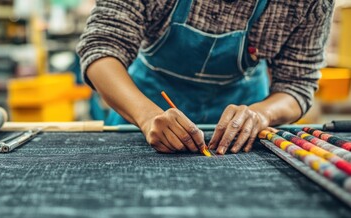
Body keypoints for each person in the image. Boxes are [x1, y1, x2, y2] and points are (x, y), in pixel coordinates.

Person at [76, 0, 334, 154]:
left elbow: (297, 84)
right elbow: (102, 48)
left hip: (242, 118)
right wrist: (146, 117)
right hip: (143, 104)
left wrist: (261, 114)